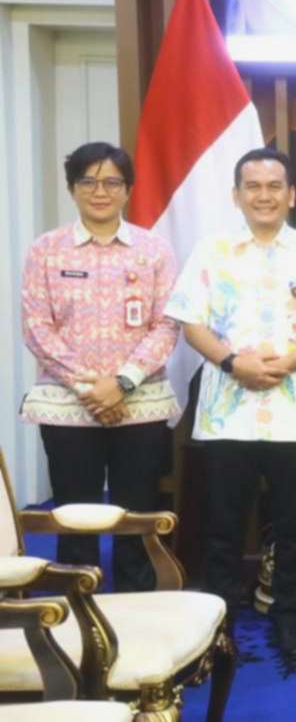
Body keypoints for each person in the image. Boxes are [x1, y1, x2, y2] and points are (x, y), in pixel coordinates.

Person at [166, 147, 296, 662]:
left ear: (292, 195)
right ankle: (220, 623)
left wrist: (286, 364)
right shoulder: (211, 251)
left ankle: (287, 617)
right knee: (222, 523)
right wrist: (232, 363)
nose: (264, 195)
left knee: (292, 524)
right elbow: (190, 321)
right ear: (236, 195)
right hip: (228, 412)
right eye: (253, 186)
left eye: (274, 186)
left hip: (294, 413)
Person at [19, 142, 180, 592]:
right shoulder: (46, 250)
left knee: (136, 518)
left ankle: (137, 608)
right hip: (69, 406)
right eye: (88, 181)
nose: (100, 191)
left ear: (127, 189)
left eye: (112, 181)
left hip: (140, 404)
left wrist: (122, 383)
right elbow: (36, 326)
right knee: (75, 517)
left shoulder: (154, 249)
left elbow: (167, 323)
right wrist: (90, 387)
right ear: (72, 188)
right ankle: (77, 609)